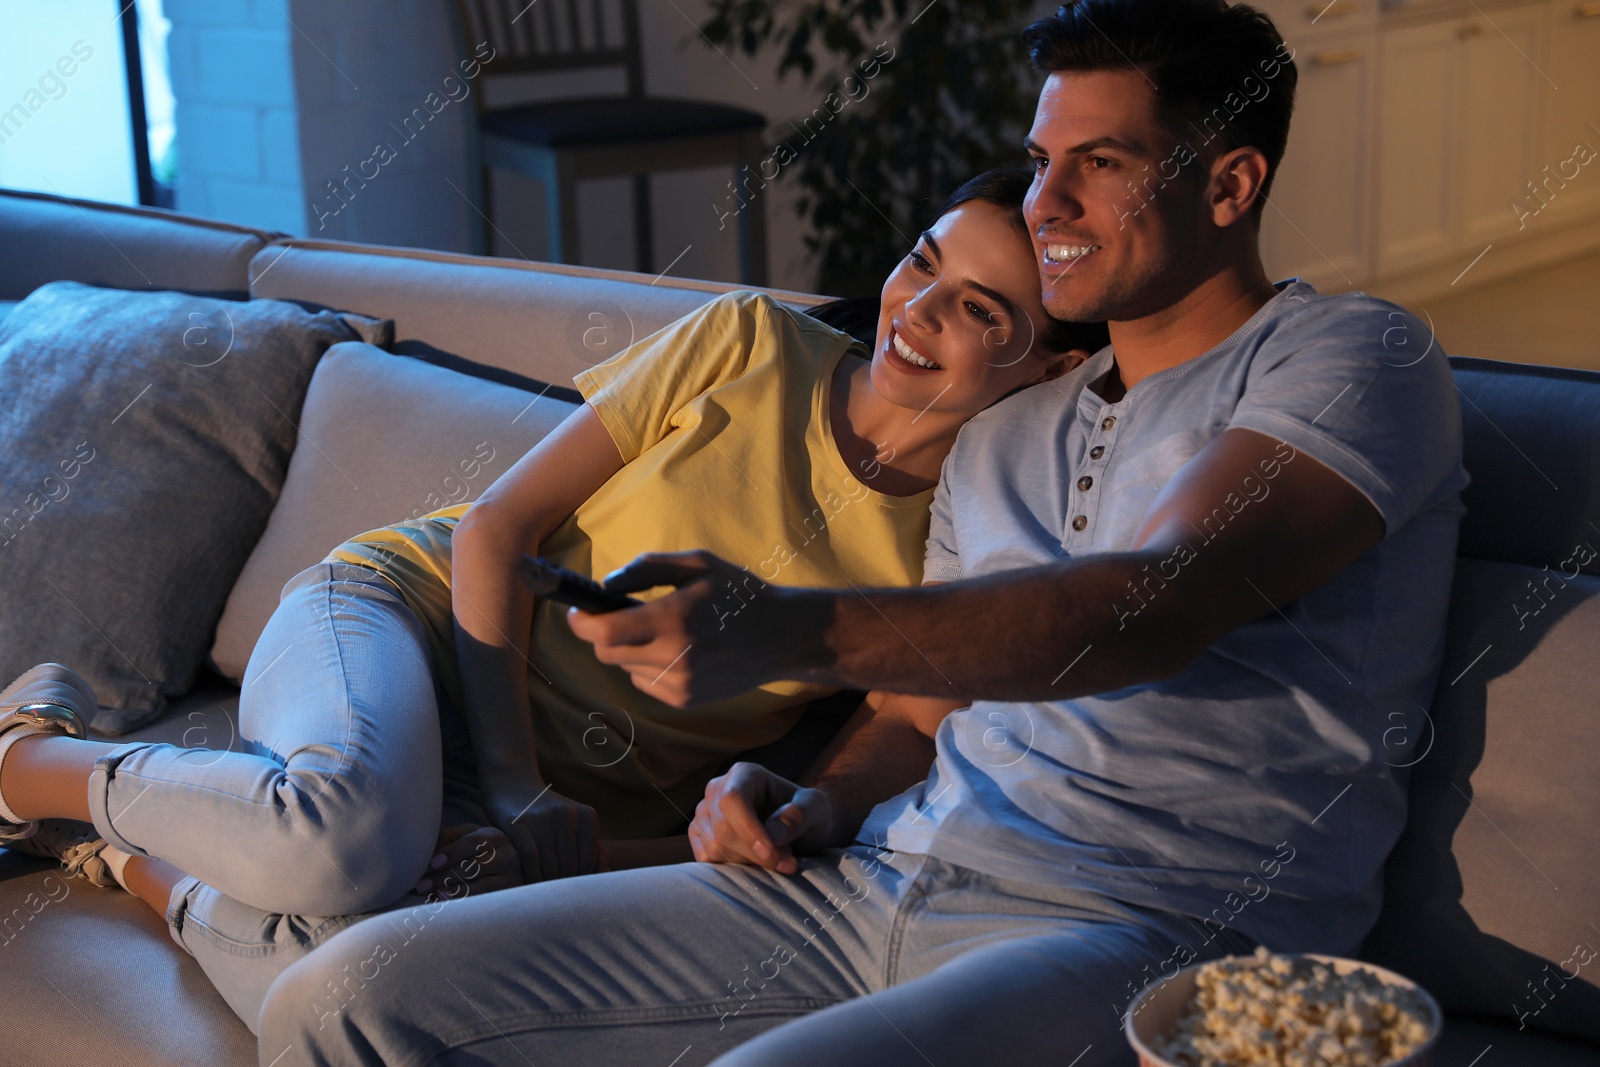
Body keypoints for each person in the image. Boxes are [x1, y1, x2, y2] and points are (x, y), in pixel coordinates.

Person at [254, 1, 1468, 1065]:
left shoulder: (1351, 357)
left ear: (1229, 184)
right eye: (1041, 160)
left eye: (1100, 163)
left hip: (1148, 927)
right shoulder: (1003, 431)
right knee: (345, 997)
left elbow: (1152, 603)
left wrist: (789, 626)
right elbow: (910, 716)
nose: (1047, 201)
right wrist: (810, 801)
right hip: (875, 878)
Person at [0, 170, 1098, 1031]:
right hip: (403, 617)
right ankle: (24, 758)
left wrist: (790, 812)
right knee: (340, 832)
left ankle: (129, 857)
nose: (919, 311)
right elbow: (495, 528)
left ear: (1048, 367)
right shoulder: (751, 341)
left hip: (553, 813)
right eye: (923, 264)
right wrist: (519, 780)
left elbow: (892, 731)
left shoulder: (968, 537)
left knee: (345, 979)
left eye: (982, 311)